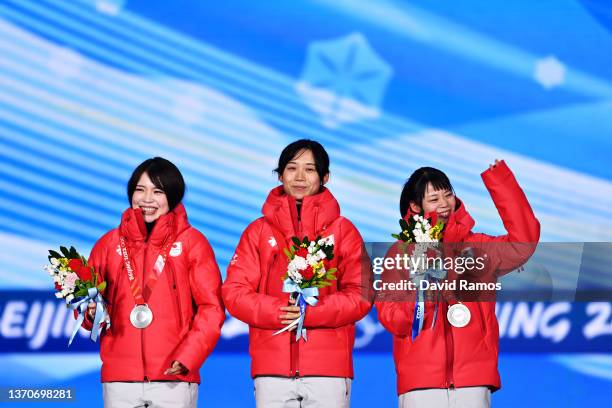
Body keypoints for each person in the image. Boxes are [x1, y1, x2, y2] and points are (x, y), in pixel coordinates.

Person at [375, 160, 540, 408]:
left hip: (473, 379)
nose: (444, 204)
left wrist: (501, 182)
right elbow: (392, 318)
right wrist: (423, 297)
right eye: (434, 199)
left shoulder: (479, 247)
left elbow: (523, 242)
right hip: (421, 382)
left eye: (448, 194)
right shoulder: (401, 253)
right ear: (415, 206)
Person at [222, 139, 372, 408]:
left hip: (328, 370)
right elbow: (234, 292)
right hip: (272, 369)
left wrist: (310, 311)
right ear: (280, 175)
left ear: (325, 177)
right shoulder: (257, 231)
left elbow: (361, 294)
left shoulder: (343, 231)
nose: (300, 177)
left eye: (310, 169)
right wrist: (279, 311)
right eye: (292, 168)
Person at [80, 157, 225, 408]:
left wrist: (189, 357)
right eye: (140, 189)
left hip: (173, 377)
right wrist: (90, 313)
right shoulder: (108, 245)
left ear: (173, 195)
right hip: (120, 380)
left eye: (157, 191)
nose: (147, 199)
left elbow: (211, 308)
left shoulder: (193, 243)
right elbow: (89, 305)